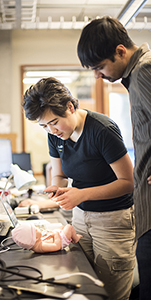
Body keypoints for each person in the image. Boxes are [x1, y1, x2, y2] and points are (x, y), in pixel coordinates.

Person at [22, 77, 136, 300]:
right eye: (44, 126)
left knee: (110, 294)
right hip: (81, 216)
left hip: (113, 220)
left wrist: (81, 194)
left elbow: (129, 182)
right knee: (84, 285)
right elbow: (60, 174)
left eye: (54, 122)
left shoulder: (102, 130)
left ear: (70, 107)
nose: (51, 130)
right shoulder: (55, 136)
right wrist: (57, 188)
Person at [77, 16, 151, 300]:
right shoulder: (136, 76)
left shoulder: (144, 71)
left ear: (121, 51)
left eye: (100, 67)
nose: (98, 75)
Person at [11, 223, 82, 253]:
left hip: (58, 237)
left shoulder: (35, 243)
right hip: (62, 241)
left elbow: (43, 237)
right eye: (36, 230)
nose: (38, 228)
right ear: (35, 238)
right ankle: (75, 238)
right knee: (68, 227)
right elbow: (57, 246)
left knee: (62, 227)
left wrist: (46, 233)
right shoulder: (41, 247)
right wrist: (56, 233)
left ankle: (71, 235)